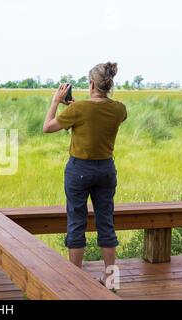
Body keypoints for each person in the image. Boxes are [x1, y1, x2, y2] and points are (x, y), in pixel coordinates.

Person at [42, 62, 127, 286]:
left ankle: (75, 280)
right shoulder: (120, 108)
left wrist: (56, 102)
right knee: (106, 221)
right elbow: (98, 114)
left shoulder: (78, 110)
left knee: (76, 221)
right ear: (108, 84)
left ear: (91, 83)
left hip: (79, 170)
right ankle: (111, 280)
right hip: (106, 170)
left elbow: (47, 127)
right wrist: (80, 107)